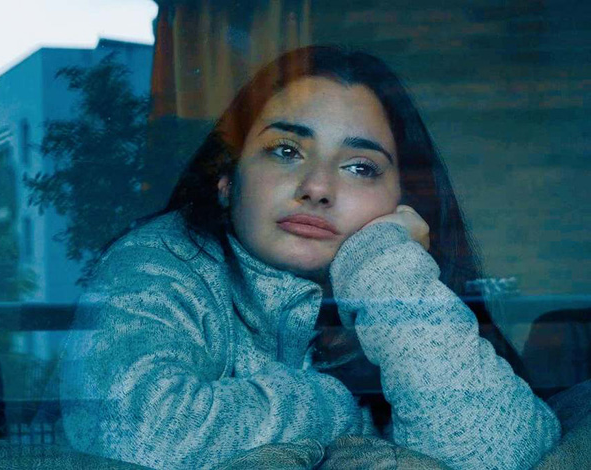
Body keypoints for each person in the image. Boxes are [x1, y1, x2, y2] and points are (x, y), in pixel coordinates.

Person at [59, 45, 560, 469]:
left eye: (360, 167)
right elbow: (141, 435)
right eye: (286, 151)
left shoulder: (402, 279)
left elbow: (498, 454)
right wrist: (336, 408)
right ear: (227, 178)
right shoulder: (159, 258)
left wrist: (386, 267)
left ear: (401, 206)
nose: (317, 187)